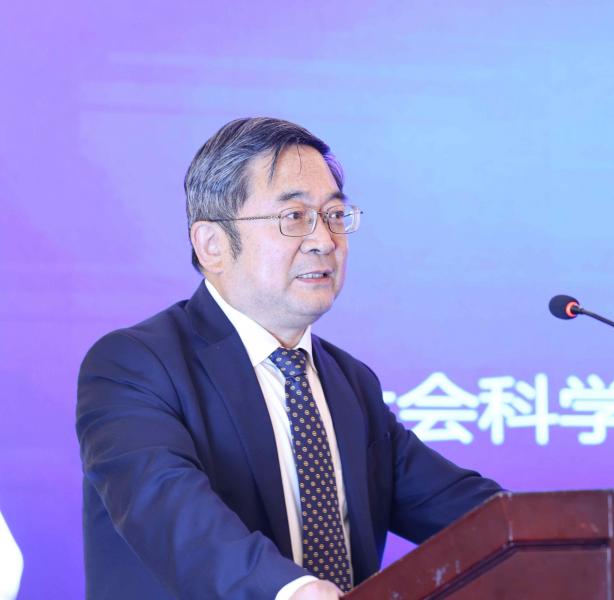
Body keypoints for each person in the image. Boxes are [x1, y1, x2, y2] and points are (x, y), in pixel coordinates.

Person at [76, 117, 502, 599]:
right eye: (294, 217)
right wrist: (293, 590)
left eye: (335, 215)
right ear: (212, 244)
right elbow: (173, 514)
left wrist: (562, 533)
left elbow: (462, 509)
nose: (325, 240)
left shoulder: (349, 382)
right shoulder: (134, 366)